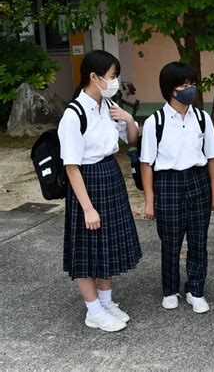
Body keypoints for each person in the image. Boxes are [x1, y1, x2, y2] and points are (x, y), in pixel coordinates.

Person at [58, 50, 142, 332]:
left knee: (108, 243)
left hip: (109, 175)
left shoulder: (108, 106)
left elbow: (130, 142)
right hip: (87, 180)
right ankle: (93, 310)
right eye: (112, 76)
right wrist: (87, 207)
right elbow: (71, 166)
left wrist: (129, 120)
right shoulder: (74, 114)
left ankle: (106, 302)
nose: (115, 81)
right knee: (86, 246)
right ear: (93, 77)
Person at [140, 62, 214, 314]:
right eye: (183, 85)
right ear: (170, 89)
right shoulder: (156, 121)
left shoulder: (202, 118)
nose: (190, 89)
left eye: (192, 84)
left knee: (199, 240)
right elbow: (146, 164)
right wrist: (150, 200)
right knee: (171, 242)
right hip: (168, 184)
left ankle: (195, 290)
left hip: (198, 181)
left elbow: (212, 157)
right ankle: (169, 289)